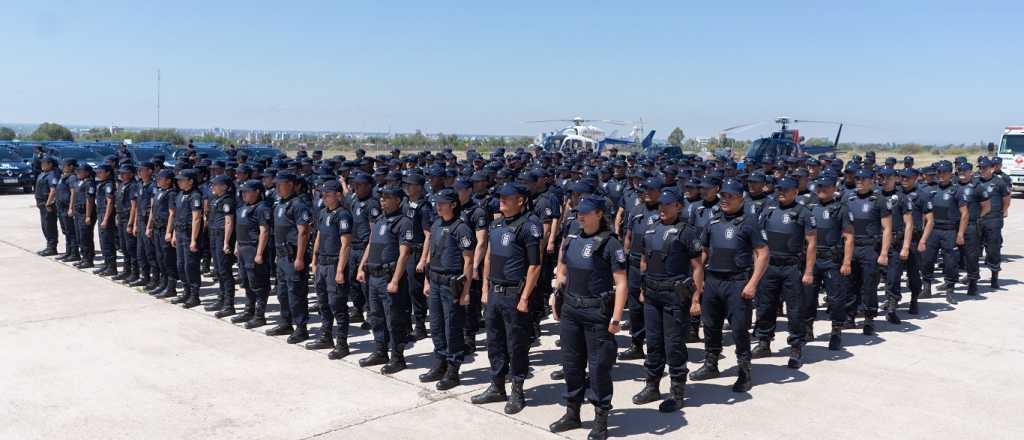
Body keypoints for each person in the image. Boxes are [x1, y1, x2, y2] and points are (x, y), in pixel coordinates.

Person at [547, 195, 627, 440]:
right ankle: (573, 413)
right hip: (571, 310)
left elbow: (622, 283)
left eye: (586, 212)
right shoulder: (571, 240)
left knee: (598, 367)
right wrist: (556, 295)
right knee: (571, 364)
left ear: (599, 213)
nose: (580, 216)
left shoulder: (610, 244)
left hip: (596, 314)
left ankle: (601, 419)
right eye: (578, 212)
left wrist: (615, 318)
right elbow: (562, 271)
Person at [689, 178, 768, 393]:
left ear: (740, 199)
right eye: (722, 195)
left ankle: (744, 371)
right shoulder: (713, 221)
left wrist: (752, 283)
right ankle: (711, 363)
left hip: (737, 282)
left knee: (740, 329)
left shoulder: (750, 222)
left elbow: (762, 254)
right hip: (713, 281)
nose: (724, 199)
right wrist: (698, 281)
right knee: (711, 325)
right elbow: (703, 251)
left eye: (729, 196)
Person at [630, 188, 704, 412]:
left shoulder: (686, 232)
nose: (662, 208)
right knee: (653, 342)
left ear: (678, 207)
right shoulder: (651, 229)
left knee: (673, 344)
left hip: (674, 296)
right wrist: (643, 288)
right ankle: (652, 386)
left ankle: (677, 391)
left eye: (667, 204)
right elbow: (644, 260)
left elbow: (697, 266)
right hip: (652, 294)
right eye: (660, 204)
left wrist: (695, 298)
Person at [472, 183, 543, 415]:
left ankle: (517, 390)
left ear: (520, 200)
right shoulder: (496, 224)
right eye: (500, 197)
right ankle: (497, 385)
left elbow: (534, 265)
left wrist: (524, 297)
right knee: (494, 341)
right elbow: (489, 258)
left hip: (515, 294)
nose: (501, 201)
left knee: (516, 344)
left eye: (507, 198)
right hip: (494, 292)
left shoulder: (528, 226)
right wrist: (484, 288)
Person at [752, 176, 816, 368]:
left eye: (785, 190)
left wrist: (808, 271)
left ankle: (796, 346)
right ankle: (764, 342)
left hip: (791, 267)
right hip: (769, 266)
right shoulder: (768, 209)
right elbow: (758, 242)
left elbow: (811, 243)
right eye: (779, 189)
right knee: (765, 305)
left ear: (795, 192)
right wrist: (757, 267)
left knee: (795, 309)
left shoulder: (803, 212)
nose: (780, 192)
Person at [420, 188, 476, 390]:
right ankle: (440, 362)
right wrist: (427, 281)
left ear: (453, 204)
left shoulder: (461, 229)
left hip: (451, 283)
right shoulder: (436, 224)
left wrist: (466, 291)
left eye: (442, 203)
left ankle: (453, 371)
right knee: (435, 326)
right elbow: (431, 256)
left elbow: (468, 262)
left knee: (452, 327)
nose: (438, 206)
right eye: (437, 203)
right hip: (434, 280)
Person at [356, 185, 414, 374]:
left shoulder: (403, 222)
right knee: (376, 317)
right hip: (374, 276)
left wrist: (396, 280)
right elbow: (371, 244)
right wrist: (362, 266)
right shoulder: (380, 220)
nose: (382, 200)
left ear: (398, 200)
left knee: (393, 319)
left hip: (389, 277)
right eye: (381, 197)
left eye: (387, 198)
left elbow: (404, 254)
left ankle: (397, 358)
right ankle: (380, 351)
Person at [805, 174, 855, 350]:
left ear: (834, 188)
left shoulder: (841, 209)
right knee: (808, 297)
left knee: (835, 299)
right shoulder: (809, 207)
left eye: (826, 187)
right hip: (812, 259)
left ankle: (836, 332)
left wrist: (847, 262)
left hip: (832, 260)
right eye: (819, 186)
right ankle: (807, 328)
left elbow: (849, 237)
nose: (821, 189)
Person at [305, 179, 354, 360]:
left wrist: (340, 269)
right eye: (322, 195)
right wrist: (314, 259)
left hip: (334, 264)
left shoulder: (343, 215)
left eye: (328, 195)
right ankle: (326, 336)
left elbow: (346, 244)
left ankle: (342, 344)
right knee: (323, 303)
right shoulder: (323, 213)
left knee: (337, 305)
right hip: (322, 263)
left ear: (338, 195)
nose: (324, 198)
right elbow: (318, 236)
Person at [266, 171, 314, 343]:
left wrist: (300, 257)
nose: (277, 187)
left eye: (281, 184)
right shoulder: (280, 204)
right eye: (276, 184)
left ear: (292, 184)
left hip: (294, 256)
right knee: (282, 292)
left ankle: (301, 328)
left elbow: (303, 232)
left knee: (296, 293)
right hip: (282, 256)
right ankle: (286, 322)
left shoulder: (298, 205)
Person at [843, 168, 892, 334]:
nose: (859, 181)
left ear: (871, 181)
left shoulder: (879, 200)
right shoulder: (848, 198)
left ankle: (869, 318)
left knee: (869, 285)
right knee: (850, 283)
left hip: (870, 247)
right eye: (857, 178)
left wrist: (884, 252)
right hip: (851, 247)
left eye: (863, 179)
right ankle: (849, 316)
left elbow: (887, 229)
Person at [618, 177, 662, 361]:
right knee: (635, 307)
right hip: (635, 264)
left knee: (654, 308)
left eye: (651, 189)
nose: (646, 192)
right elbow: (628, 236)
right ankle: (637, 344)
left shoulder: (664, 212)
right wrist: (626, 256)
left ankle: (658, 348)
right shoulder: (636, 210)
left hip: (656, 266)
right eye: (644, 189)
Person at [921, 161, 967, 304]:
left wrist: (960, 234)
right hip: (933, 231)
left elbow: (964, 214)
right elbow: (925, 213)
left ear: (950, 174)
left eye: (944, 172)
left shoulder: (957, 190)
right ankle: (926, 288)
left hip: (949, 231)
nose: (940, 175)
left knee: (950, 262)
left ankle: (950, 290)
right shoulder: (930, 191)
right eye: (939, 172)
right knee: (927, 260)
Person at [231, 180, 272, 329]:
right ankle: (249, 310)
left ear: (257, 192)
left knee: (258, 284)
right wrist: (237, 245)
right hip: (243, 249)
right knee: (246, 282)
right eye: (242, 191)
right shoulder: (242, 207)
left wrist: (260, 253)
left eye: (247, 191)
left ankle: (259, 315)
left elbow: (264, 231)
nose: (243, 194)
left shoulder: (262, 208)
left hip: (254, 249)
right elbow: (239, 228)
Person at [343, 172, 379, 328]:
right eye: (354, 185)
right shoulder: (354, 201)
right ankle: (358, 310)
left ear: (368, 186)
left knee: (367, 284)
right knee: (353, 281)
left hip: (365, 248)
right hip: (353, 247)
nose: (355, 188)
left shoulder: (372, 204)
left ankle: (371, 314)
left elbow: (374, 231)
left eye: (359, 185)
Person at [878, 168, 914, 323]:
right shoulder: (875, 196)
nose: (884, 180)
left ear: (895, 178)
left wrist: (906, 246)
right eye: (881, 177)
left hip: (895, 242)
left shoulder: (902, 198)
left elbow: (909, 224)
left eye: (887, 177)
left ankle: (892, 308)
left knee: (893, 277)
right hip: (876, 243)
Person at [401, 173, 434, 341]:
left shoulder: (424, 207)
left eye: (410, 184)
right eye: (406, 184)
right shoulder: (405, 202)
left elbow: (428, 235)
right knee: (404, 290)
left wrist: (423, 259)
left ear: (419, 187)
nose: (407, 187)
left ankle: (420, 327)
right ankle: (407, 325)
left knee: (416, 291)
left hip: (417, 251)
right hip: (404, 251)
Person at [167, 169, 204, 308]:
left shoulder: (195, 196)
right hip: (180, 232)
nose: (179, 182)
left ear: (191, 181)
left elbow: (196, 219)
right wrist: (174, 234)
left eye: (182, 180)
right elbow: (177, 216)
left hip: (190, 234)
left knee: (191, 265)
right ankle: (186, 292)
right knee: (181, 264)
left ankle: (194, 296)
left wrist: (194, 239)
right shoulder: (180, 194)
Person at [206, 175, 237, 318]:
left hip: (222, 236)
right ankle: (221, 298)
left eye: (216, 185)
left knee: (225, 271)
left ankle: (229, 304)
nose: (213, 187)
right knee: (218, 270)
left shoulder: (228, 201)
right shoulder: (214, 199)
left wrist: (226, 242)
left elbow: (229, 222)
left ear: (224, 186)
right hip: (213, 234)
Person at [976, 158, 1009, 288]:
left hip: (993, 219)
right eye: (980, 168)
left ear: (991, 168)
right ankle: (972, 275)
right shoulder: (975, 181)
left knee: (993, 249)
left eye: (984, 168)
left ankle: (994, 276)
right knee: (972, 249)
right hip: (977, 219)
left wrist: (1003, 211)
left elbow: (1006, 199)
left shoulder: (999, 182)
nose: (982, 170)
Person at [147, 169, 178, 298]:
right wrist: (149, 226)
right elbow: (153, 211)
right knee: (159, 257)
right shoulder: (159, 192)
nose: (158, 181)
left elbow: (172, 213)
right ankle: (163, 283)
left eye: (161, 179)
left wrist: (169, 231)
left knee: (167, 259)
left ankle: (171, 287)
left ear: (169, 181)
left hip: (165, 228)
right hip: (157, 228)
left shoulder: (171, 194)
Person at [129, 163, 157, 290]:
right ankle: (144, 276)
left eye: (142, 170)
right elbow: (136, 207)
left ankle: (155, 279)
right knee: (140, 252)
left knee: (150, 252)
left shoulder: (153, 186)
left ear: (150, 171)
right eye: (139, 170)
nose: (140, 172)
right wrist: (134, 224)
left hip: (147, 222)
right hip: (140, 221)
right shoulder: (139, 185)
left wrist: (149, 226)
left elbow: (153, 208)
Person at [113, 165, 139, 283]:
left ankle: (135, 273)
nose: (122, 175)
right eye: (121, 173)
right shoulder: (122, 185)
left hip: (129, 218)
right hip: (122, 217)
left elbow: (134, 206)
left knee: (131, 247)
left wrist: (131, 223)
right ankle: (126, 270)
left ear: (131, 174)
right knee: (124, 246)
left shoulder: (133, 186)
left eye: (125, 173)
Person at [94, 165, 118, 277]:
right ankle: (106, 264)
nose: (98, 174)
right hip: (100, 213)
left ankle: (112, 267)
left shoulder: (109, 185)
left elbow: (110, 202)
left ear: (108, 173)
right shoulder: (101, 183)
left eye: (100, 172)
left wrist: (105, 219)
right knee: (103, 241)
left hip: (106, 215)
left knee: (108, 241)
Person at [55, 159, 80, 262]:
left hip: (66, 208)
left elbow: (73, 192)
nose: (62, 167)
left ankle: (74, 253)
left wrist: (71, 207)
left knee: (71, 231)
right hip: (61, 208)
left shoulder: (72, 177)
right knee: (66, 231)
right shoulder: (64, 176)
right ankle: (68, 252)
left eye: (64, 165)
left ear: (71, 166)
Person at [34, 156, 60, 256]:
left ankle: (52, 247)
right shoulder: (43, 174)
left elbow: (53, 190)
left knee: (50, 226)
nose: (41, 165)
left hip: (47, 205)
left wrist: (48, 203)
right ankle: (49, 246)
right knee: (45, 226)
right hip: (42, 205)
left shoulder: (52, 175)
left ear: (50, 164)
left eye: (44, 163)